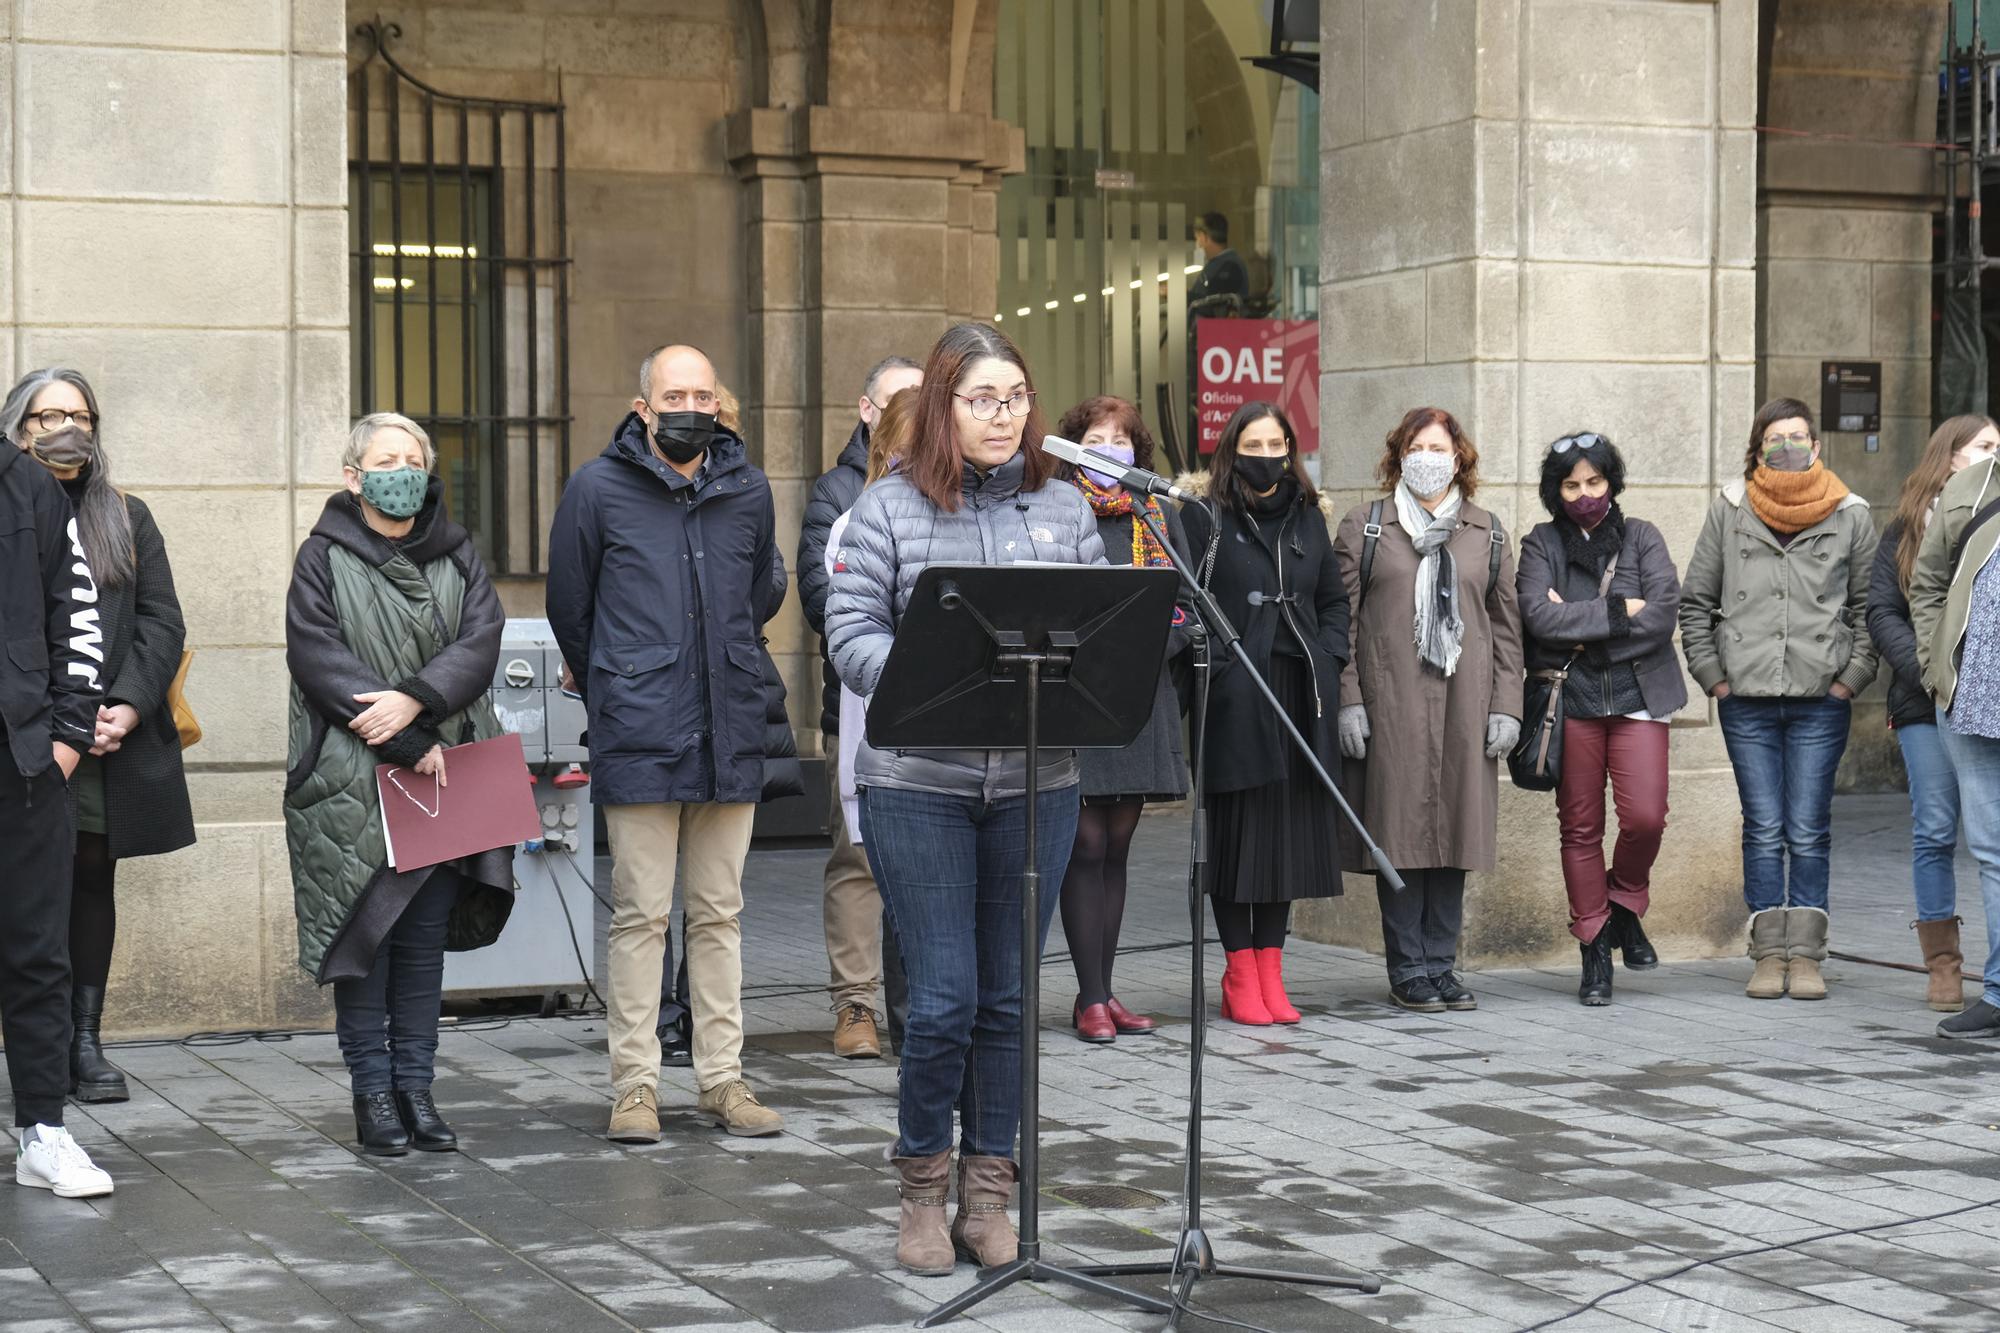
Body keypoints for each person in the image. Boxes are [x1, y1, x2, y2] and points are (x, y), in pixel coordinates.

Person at [826, 322, 1107, 1277]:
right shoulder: (888, 510)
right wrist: (919, 681)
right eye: (981, 399)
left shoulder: (1064, 509)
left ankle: (990, 1194)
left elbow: (1101, 625)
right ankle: (920, 1189)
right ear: (943, 406)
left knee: (1010, 998)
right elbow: (850, 629)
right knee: (944, 999)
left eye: (1016, 398)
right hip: (920, 787)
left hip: (1037, 783)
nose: (1002, 415)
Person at [547, 344, 787, 1143]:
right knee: (641, 914)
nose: (690, 404)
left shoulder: (748, 488)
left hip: (730, 723)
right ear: (643, 406)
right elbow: (570, 608)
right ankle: (636, 1087)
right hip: (640, 724)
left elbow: (759, 593)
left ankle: (723, 1078)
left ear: (718, 402)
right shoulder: (595, 489)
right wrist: (619, 680)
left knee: (719, 911)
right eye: (673, 392)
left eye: (702, 392)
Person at [284, 412, 515, 1156]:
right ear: (354, 476)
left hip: (444, 771)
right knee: (366, 942)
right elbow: (317, 655)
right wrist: (407, 735)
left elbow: (480, 639)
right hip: (353, 777)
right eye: (387, 459)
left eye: (413, 458)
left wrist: (417, 699)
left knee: (421, 946)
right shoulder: (322, 556)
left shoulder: (458, 554)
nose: (402, 469)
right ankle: (372, 1092)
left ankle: (417, 1086)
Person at [4, 370, 195, 1104]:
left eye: (81, 414)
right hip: (22, 734)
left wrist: (125, 705)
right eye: (49, 414)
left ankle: (81, 1040)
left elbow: (160, 620)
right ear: (18, 426)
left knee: (87, 879)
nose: (67, 428)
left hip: (104, 741)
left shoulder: (124, 514)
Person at [1680, 397, 1877, 1002]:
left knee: (1809, 828)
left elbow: (1870, 610)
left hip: (1822, 700)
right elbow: (1696, 603)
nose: (1787, 445)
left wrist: (1850, 679)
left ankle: (1807, 955)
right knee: (1764, 827)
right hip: (1748, 701)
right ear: (1758, 448)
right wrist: (1716, 678)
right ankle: (1768, 954)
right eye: (1775, 438)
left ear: (1816, 446)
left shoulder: (1851, 514)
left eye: (1797, 436)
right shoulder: (1730, 510)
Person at [1334, 407, 1523, 1013]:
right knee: (1400, 835)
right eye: (1416, 446)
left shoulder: (1487, 533)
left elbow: (1506, 628)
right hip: (1393, 702)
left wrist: (1508, 706)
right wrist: (1349, 701)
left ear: (1459, 457)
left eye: (1439, 447)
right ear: (1397, 455)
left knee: (1455, 833)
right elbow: (1340, 626)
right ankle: (1407, 968)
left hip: (1466, 704)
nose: (1428, 457)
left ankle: (1442, 965)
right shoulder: (1366, 527)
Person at [1181, 402, 1346, 1027]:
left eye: (1277, 442)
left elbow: (1333, 601)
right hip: (1235, 695)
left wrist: (1329, 657)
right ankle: (1239, 973)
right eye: (1254, 442)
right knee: (1236, 837)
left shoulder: (1309, 518)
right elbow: (1187, 600)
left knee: (1285, 839)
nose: (1267, 452)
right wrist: (1219, 666)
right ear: (1232, 448)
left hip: (1300, 688)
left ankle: (1273, 972)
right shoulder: (1204, 516)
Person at [1515, 432, 1685, 1006]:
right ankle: (1594, 944)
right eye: (1570, 484)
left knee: (1646, 818)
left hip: (1638, 699)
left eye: (1593, 481)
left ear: (1611, 481)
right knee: (1580, 829)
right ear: (1554, 490)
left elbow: (1662, 615)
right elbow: (1538, 618)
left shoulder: (1643, 537)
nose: (1584, 494)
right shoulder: (1540, 545)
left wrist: (1583, 618)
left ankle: (1624, 902)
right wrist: (1620, 612)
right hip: (1573, 703)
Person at [0, 378, 112, 1200]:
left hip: (25, 764)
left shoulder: (30, 486)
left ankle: (43, 1129)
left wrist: (67, 742)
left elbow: (78, 620)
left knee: (39, 952)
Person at [1055, 396, 1192, 1042]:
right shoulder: (1056, 510)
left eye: (1122, 439)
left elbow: (1186, 606)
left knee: (1117, 848)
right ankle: (1087, 997)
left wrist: (1150, 644)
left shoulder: (1157, 513)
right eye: (1097, 437)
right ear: (1075, 444)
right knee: (1082, 845)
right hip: (1077, 698)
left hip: (1142, 700)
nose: (1111, 448)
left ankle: (1107, 992)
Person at [798, 355, 922, 1060]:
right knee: (859, 857)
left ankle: (914, 1006)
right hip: (858, 701)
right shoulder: (837, 497)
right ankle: (856, 1004)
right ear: (869, 412)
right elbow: (823, 601)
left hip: (936, 725)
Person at [1869, 415, 1996, 1015]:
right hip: (1926, 700)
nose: (1995, 457)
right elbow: (1884, 609)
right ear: (1951, 457)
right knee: (1936, 828)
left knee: (1989, 840)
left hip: (1982, 698)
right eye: (1986, 448)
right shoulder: (1906, 528)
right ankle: (1943, 965)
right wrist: (1931, 667)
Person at [1911, 442, 2000, 1038]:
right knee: (1993, 851)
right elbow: (1928, 585)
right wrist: (1935, 665)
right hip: (1973, 692)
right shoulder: (1971, 485)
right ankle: (1998, 995)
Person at [1188, 212, 1249, 311]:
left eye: (1197, 238)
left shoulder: (1229, 267)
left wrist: (1182, 295)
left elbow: (1212, 305)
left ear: (1204, 237)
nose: (1197, 244)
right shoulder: (1215, 265)